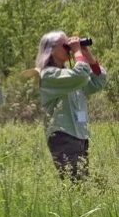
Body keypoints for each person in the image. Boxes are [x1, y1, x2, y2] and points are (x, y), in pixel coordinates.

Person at [36, 32, 106, 181]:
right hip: (63, 135)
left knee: (82, 184)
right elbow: (80, 75)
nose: (69, 48)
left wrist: (88, 56)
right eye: (65, 45)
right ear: (51, 50)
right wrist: (77, 52)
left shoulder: (69, 74)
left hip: (79, 135)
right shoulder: (48, 75)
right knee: (76, 184)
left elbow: (98, 81)